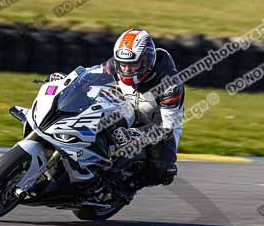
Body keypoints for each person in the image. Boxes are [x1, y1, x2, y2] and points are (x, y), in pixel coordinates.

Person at [51, 28, 184, 188]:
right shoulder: (117, 65)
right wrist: (67, 80)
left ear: (148, 60)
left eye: (133, 65)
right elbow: (91, 75)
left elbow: (166, 127)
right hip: (128, 108)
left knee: (161, 169)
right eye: (123, 64)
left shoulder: (170, 85)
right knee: (98, 115)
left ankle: (123, 187)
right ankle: (85, 159)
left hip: (157, 127)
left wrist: (137, 134)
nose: (126, 69)